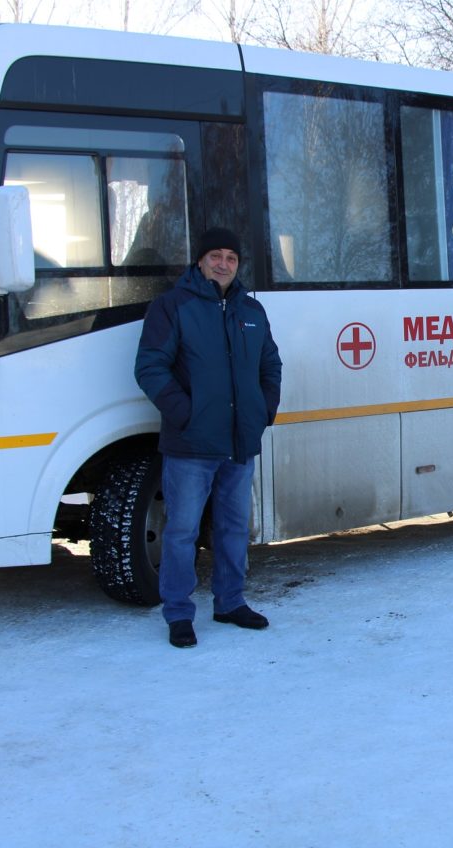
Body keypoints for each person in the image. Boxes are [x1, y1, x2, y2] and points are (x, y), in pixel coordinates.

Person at [135, 227, 283, 648]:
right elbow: (150, 368)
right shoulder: (172, 307)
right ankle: (179, 614)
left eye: (231, 257)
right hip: (190, 444)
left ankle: (230, 602)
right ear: (200, 261)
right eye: (215, 255)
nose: (223, 263)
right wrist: (186, 414)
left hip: (239, 441)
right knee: (181, 531)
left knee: (234, 528)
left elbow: (270, 366)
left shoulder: (252, 311)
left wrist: (262, 411)